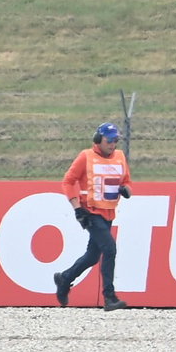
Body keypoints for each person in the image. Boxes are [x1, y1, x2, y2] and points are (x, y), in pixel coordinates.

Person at [54, 122, 133, 311]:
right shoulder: (86, 157)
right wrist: (77, 208)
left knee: (92, 256)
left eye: (115, 140)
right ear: (98, 140)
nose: (112, 144)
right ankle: (109, 297)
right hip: (90, 213)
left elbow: (127, 181)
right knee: (110, 248)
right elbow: (68, 181)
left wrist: (126, 190)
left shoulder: (120, 157)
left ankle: (64, 278)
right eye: (109, 140)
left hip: (108, 213)